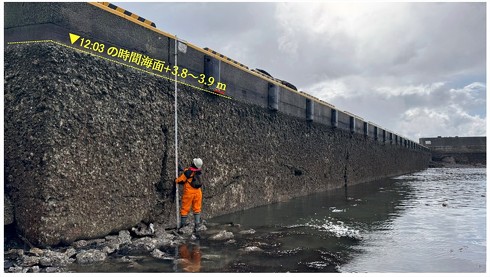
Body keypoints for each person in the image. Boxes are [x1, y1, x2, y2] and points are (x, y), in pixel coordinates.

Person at [175, 158, 204, 235]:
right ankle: (197, 225)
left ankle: (182, 226)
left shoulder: (188, 172)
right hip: (198, 192)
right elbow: (190, 172)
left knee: (185, 209)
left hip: (189, 193)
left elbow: (180, 180)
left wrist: (176, 180)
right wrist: (183, 170)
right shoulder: (199, 171)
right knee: (197, 208)